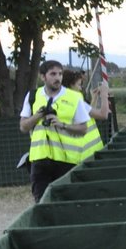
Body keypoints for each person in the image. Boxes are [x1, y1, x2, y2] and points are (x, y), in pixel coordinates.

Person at [19, 59, 94, 202]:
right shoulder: (33, 96)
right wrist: (38, 115)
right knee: (41, 203)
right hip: (40, 159)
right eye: (53, 74)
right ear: (43, 77)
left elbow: (83, 128)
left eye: (60, 74)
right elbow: (23, 126)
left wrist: (63, 125)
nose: (57, 78)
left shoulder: (73, 97)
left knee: (66, 202)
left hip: (66, 159)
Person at [61, 68, 111, 160]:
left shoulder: (63, 101)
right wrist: (104, 94)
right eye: (79, 85)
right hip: (86, 155)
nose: (80, 88)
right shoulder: (75, 102)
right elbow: (103, 114)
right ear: (70, 85)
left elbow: (88, 115)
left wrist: (94, 98)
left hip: (77, 156)